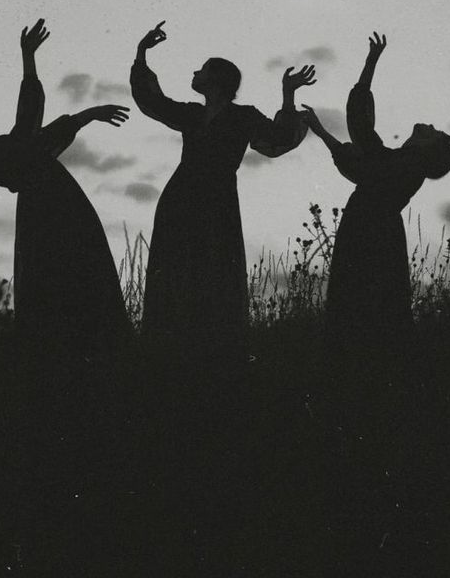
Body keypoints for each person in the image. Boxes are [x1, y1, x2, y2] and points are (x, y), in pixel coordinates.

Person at [0, 19, 130, 350]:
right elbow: (30, 129)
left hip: (45, 204)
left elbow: (37, 139)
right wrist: (29, 58)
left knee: (57, 276)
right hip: (54, 201)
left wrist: (86, 115)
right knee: (71, 271)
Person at [130, 21, 314, 362]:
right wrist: (141, 53)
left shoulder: (243, 117)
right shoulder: (192, 114)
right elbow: (152, 100)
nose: (195, 72)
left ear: (214, 81)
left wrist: (288, 94)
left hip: (216, 203)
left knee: (213, 272)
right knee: (175, 270)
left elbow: (279, 138)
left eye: (202, 69)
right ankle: (170, 347)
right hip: (180, 199)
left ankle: (212, 350)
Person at [303, 32, 450, 346]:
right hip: (370, 233)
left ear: (429, 149)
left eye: (434, 133)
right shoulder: (401, 162)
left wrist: (370, 63)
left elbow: (361, 137)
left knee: (362, 314)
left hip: (369, 236)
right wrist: (320, 130)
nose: (429, 125)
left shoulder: (408, 165)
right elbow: (358, 161)